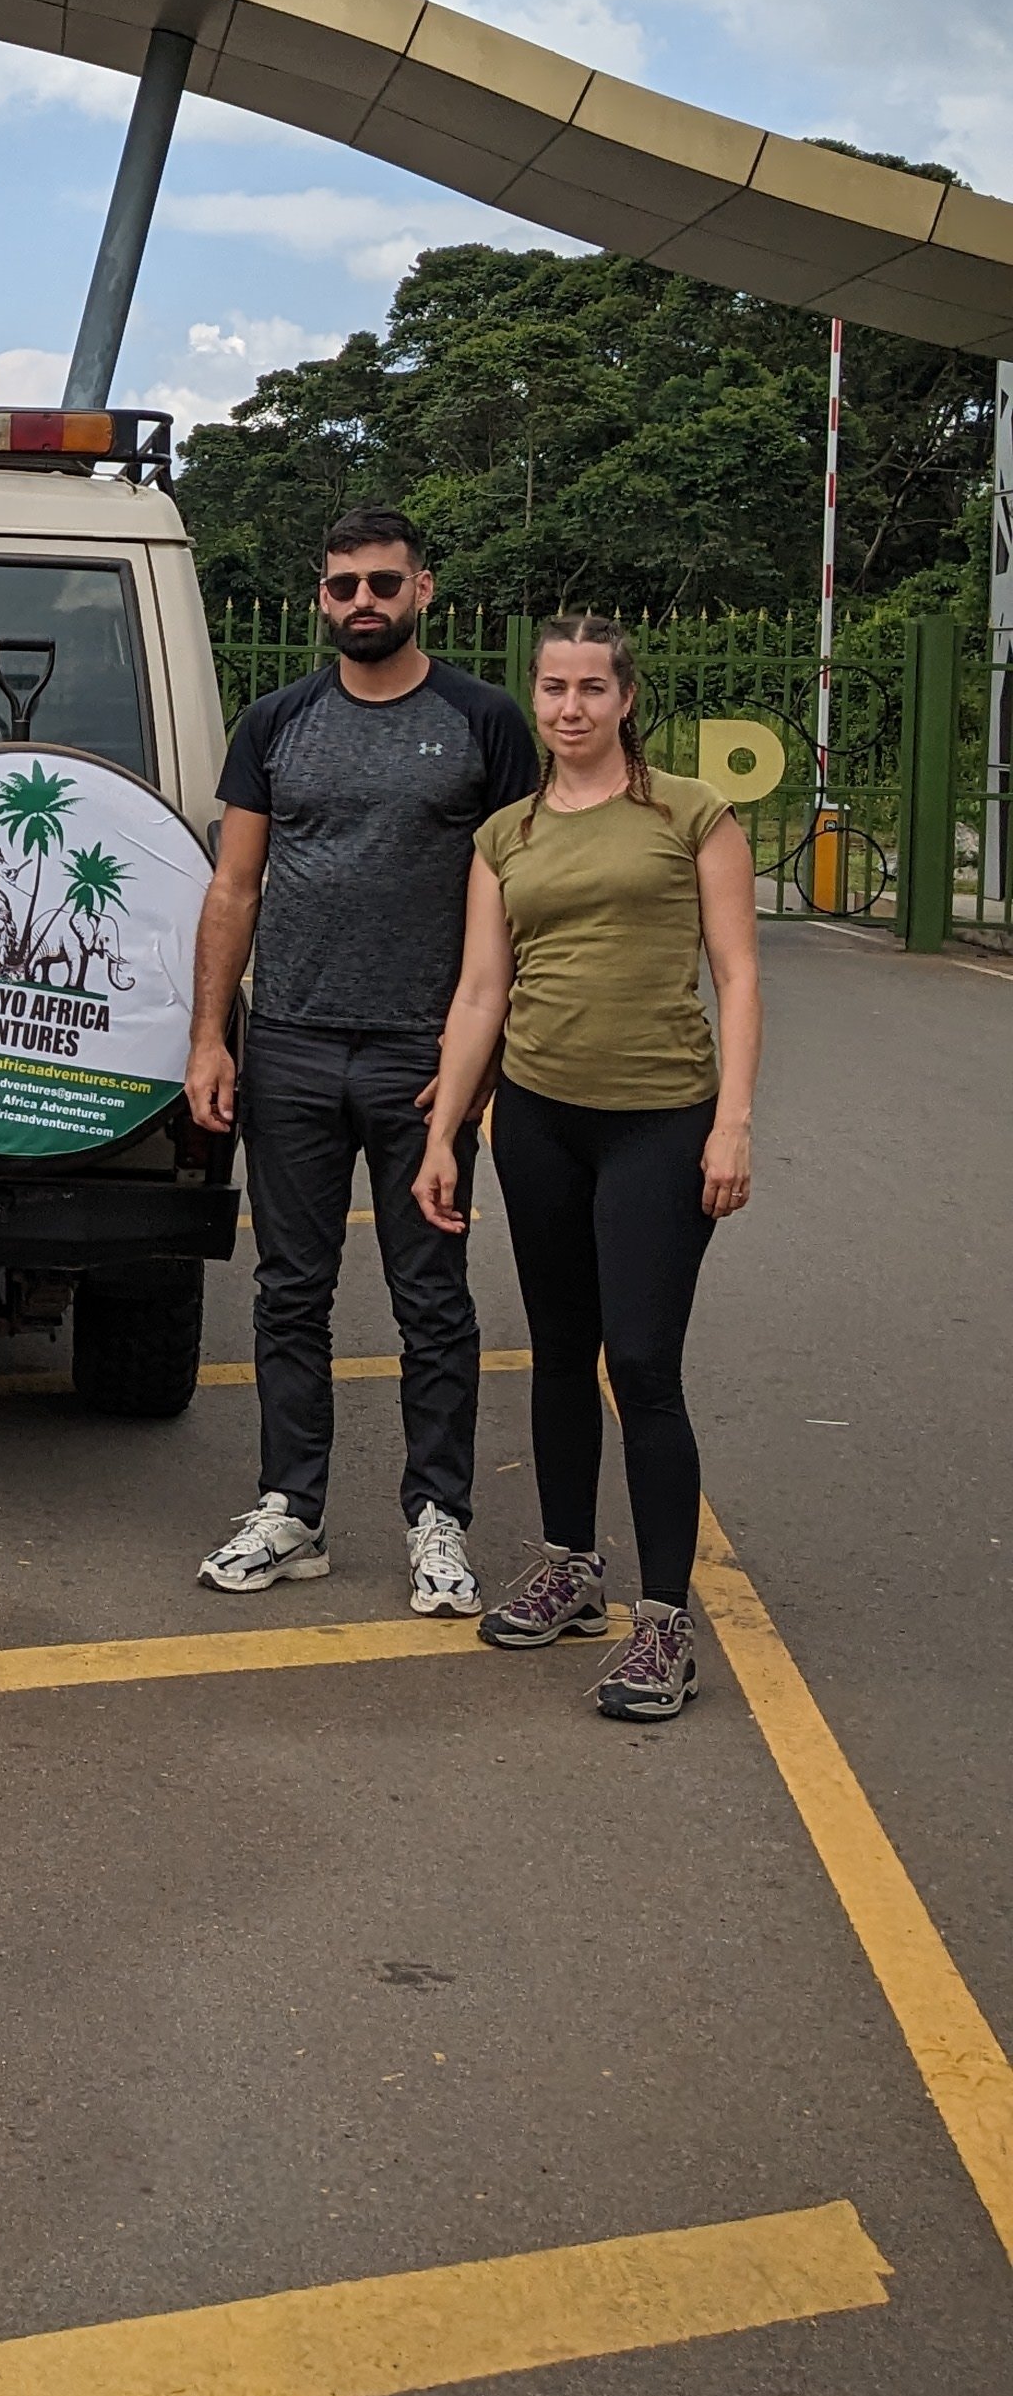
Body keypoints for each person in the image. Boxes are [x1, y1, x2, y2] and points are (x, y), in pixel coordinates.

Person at [186, 507, 538, 1613]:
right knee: (290, 1291)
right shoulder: (276, 722)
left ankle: (439, 1522)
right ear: (321, 598)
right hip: (287, 1044)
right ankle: (290, 1509)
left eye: (383, 584)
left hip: (420, 1058)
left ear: (424, 589)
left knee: (429, 1297)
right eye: (342, 587)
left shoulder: (484, 722)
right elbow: (234, 887)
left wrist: (478, 1065)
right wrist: (212, 1034)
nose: (362, 604)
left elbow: (518, 902)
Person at [415, 615, 760, 1722]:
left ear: (626, 699)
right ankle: (571, 1567)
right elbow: (480, 992)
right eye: (554, 690)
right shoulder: (506, 835)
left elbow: (738, 977)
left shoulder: (691, 814)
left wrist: (734, 1124)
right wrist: (445, 1132)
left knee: (644, 1365)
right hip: (539, 1121)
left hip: (660, 1119)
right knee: (559, 1351)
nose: (570, 709)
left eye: (591, 690)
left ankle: (665, 1625)